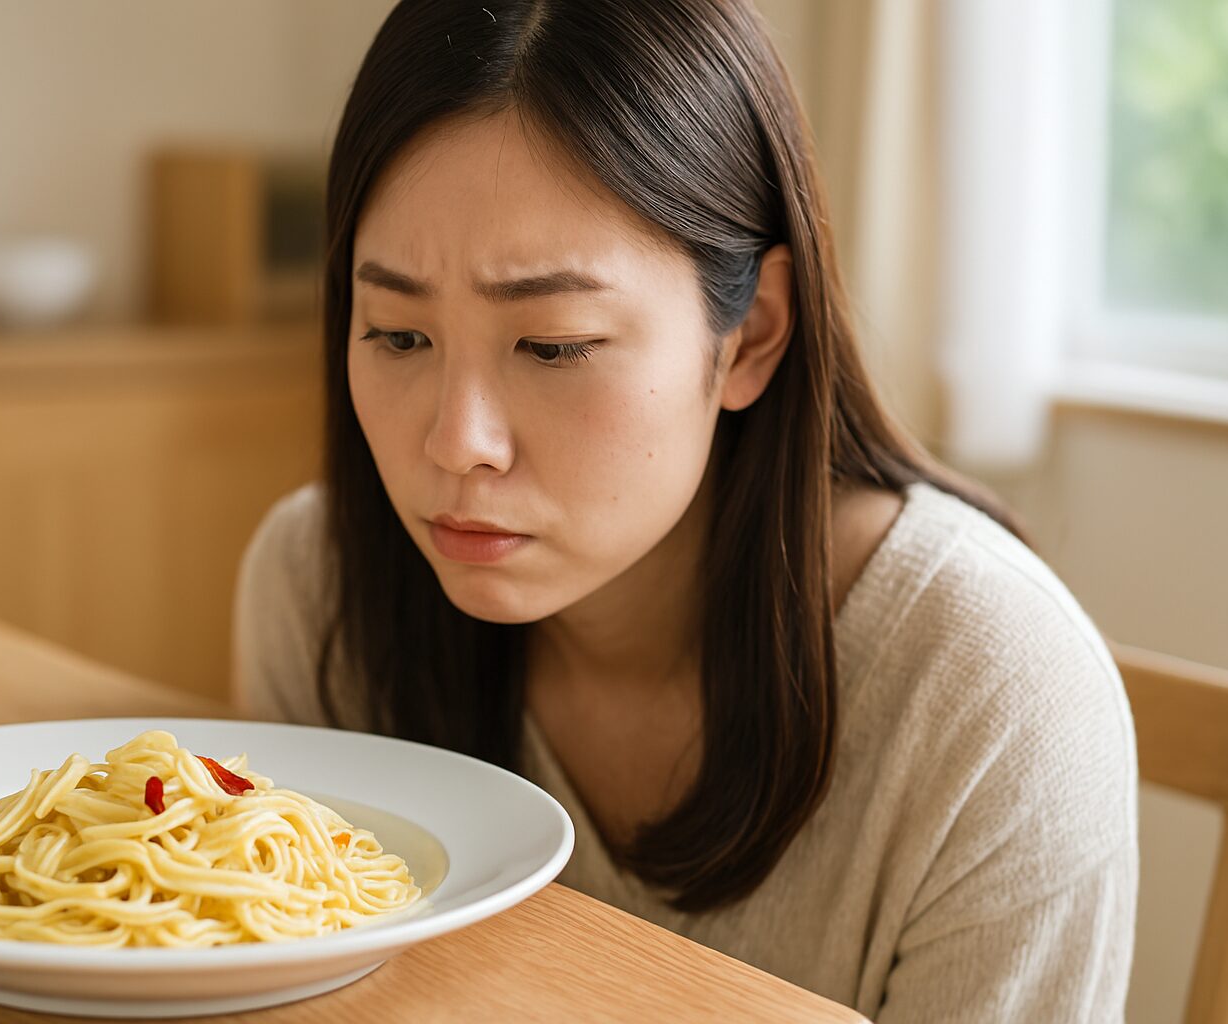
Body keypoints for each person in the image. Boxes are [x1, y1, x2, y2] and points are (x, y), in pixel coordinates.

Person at [231, 1, 1138, 1020]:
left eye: (555, 345)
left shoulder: (987, 694)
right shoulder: (320, 586)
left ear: (750, 334)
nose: (456, 442)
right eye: (398, 335)